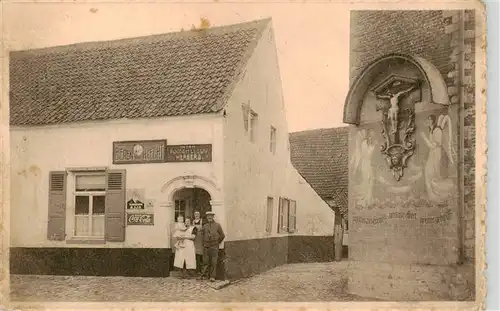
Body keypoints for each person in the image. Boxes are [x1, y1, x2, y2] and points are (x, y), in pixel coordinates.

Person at [200, 211, 225, 282]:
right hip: (206, 246)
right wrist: (204, 244)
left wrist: (217, 242)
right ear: (207, 217)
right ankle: (204, 276)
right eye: (208, 216)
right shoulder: (205, 226)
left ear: (213, 217)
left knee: (214, 262)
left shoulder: (217, 225)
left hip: (214, 246)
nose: (209, 217)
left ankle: (212, 277)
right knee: (205, 262)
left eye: (211, 216)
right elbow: (202, 236)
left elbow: (222, 235)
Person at [192, 210, 204, 275]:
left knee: (201, 254)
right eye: (195, 214)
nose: (196, 215)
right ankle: (197, 269)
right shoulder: (193, 221)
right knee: (196, 254)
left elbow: (202, 228)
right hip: (195, 238)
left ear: (199, 215)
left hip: (200, 238)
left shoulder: (201, 221)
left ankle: (201, 270)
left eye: (198, 214)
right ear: (194, 215)